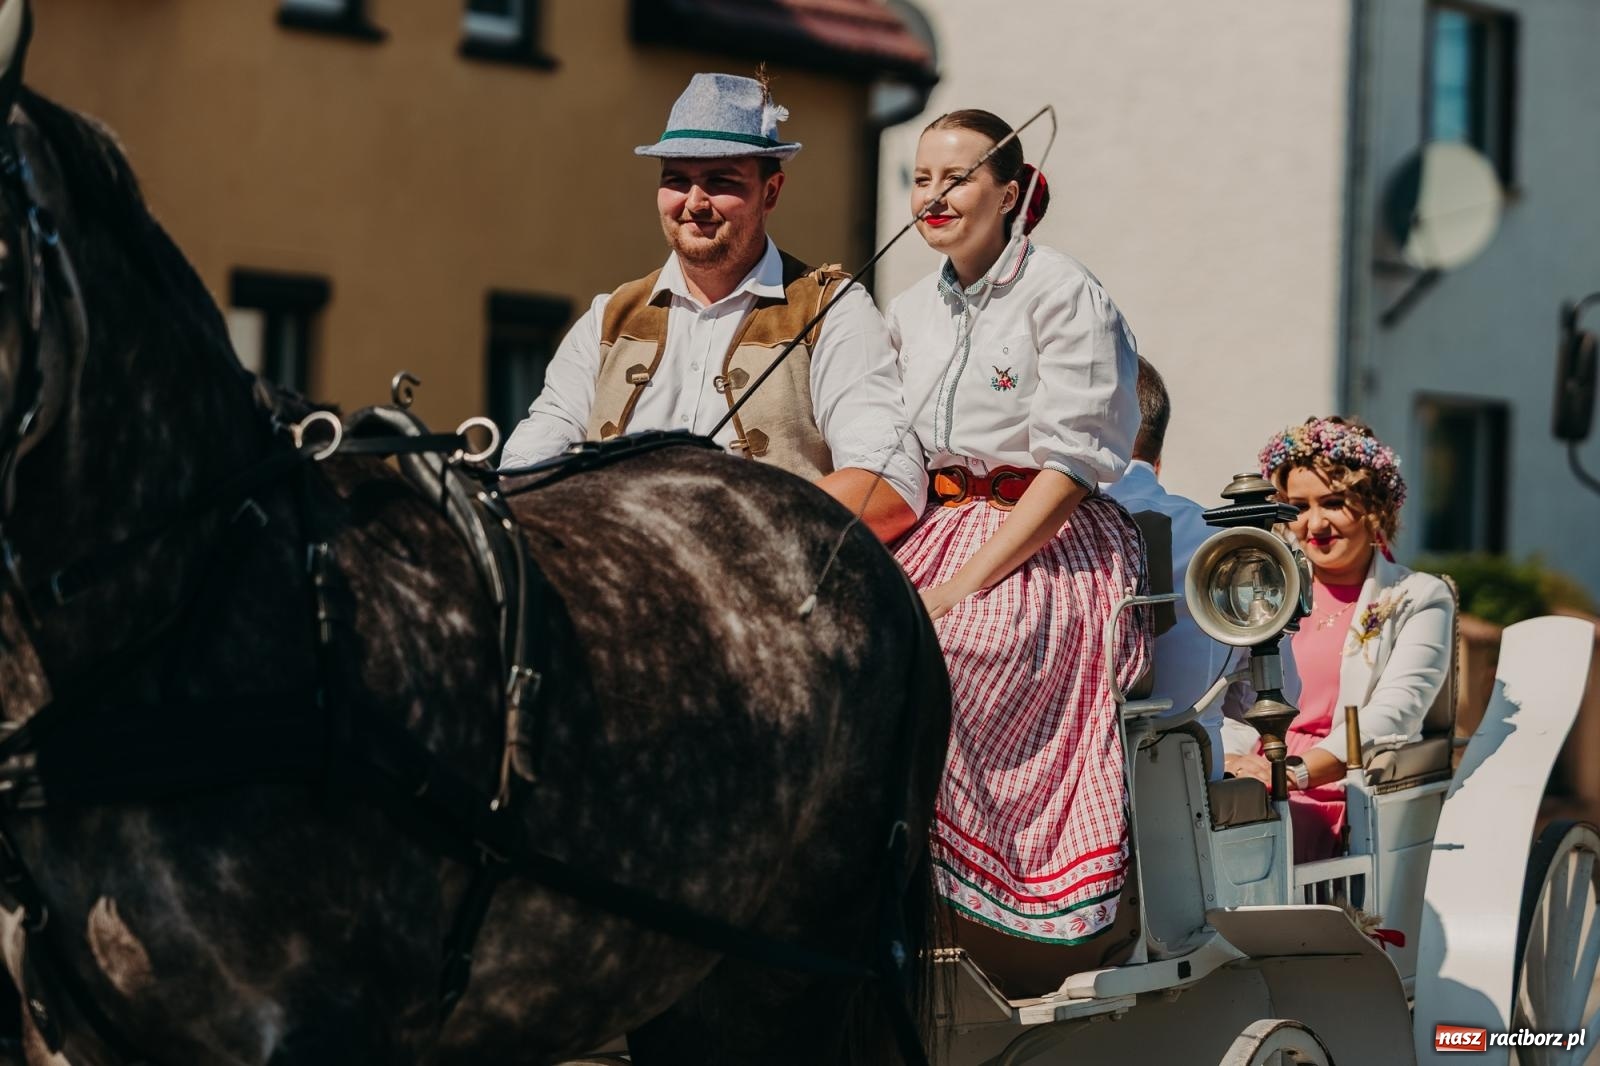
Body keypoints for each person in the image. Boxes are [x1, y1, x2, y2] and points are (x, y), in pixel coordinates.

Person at [888, 108, 1148, 994]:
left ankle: (970, 902)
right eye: (921, 179)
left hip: (1048, 541)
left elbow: (1072, 466)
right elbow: (896, 456)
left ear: (1012, 192)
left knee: (954, 649)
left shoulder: (1063, 291)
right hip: (937, 523)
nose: (934, 195)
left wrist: (957, 584)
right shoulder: (910, 308)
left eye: (957, 178)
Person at [499, 72, 925, 542]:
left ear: (772, 192)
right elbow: (526, 469)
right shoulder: (609, 316)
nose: (694, 202)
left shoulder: (830, 309)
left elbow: (889, 483)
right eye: (676, 180)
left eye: (720, 181)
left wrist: (734, 532)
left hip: (764, 598)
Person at [1224, 416, 1454, 863]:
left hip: (1340, 786)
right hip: (1249, 775)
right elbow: (1231, 700)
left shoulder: (1418, 596)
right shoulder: (1262, 591)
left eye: (1332, 503)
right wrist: (1231, 762)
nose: (1314, 523)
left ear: (1374, 508)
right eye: (1298, 505)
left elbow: (1396, 712)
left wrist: (1293, 774)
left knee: (1264, 831)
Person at [1103, 357, 1300, 780]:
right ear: (1157, 457)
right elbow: (1267, 698)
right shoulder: (1225, 541)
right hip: (1190, 789)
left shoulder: (1025, 532)